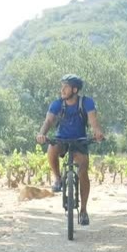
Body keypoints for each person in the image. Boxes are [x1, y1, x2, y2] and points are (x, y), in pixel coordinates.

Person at [36, 74, 105, 226]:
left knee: (83, 172)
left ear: (75, 89)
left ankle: (84, 211)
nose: (62, 89)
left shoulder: (86, 102)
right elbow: (48, 121)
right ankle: (58, 178)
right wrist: (42, 134)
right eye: (62, 86)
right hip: (62, 139)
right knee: (51, 148)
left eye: (66, 86)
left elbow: (93, 122)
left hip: (80, 141)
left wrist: (98, 133)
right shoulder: (57, 104)